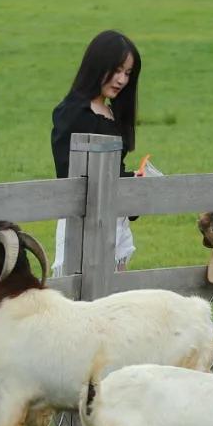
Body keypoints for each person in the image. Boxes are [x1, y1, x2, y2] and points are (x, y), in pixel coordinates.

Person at [50, 30, 142, 274]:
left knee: (117, 301)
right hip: (83, 223)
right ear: (98, 65)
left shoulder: (113, 112)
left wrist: (134, 183)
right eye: (117, 70)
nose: (122, 80)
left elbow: (114, 170)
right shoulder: (73, 112)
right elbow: (68, 174)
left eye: (128, 73)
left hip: (115, 221)